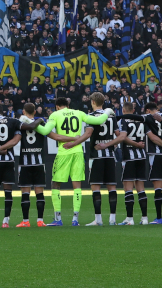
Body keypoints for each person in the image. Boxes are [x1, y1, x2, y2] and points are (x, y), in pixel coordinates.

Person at [38, 95, 111, 226]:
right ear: (68, 105)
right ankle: (75, 219)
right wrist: (108, 111)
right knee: (77, 185)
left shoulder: (55, 114)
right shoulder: (79, 113)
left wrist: (31, 122)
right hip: (78, 152)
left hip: (64, 152)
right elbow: (99, 120)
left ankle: (58, 219)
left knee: (55, 184)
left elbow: (45, 131)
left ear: (57, 106)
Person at [83, 91, 122, 226]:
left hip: (96, 156)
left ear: (92, 102)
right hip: (110, 156)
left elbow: (88, 134)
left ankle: (98, 219)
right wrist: (110, 144)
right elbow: (119, 135)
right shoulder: (111, 117)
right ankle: (112, 219)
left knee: (96, 187)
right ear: (103, 102)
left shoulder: (90, 117)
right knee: (112, 187)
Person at [14, 102, 49, 227]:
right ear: (35, 112)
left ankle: (25, 221)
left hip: (25, 162)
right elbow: (48, 133)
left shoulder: (20, 124)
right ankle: (40, 220)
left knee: (25, 192)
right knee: (39, 192)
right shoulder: (41, 123)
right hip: (39, 162)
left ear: (23, 112)